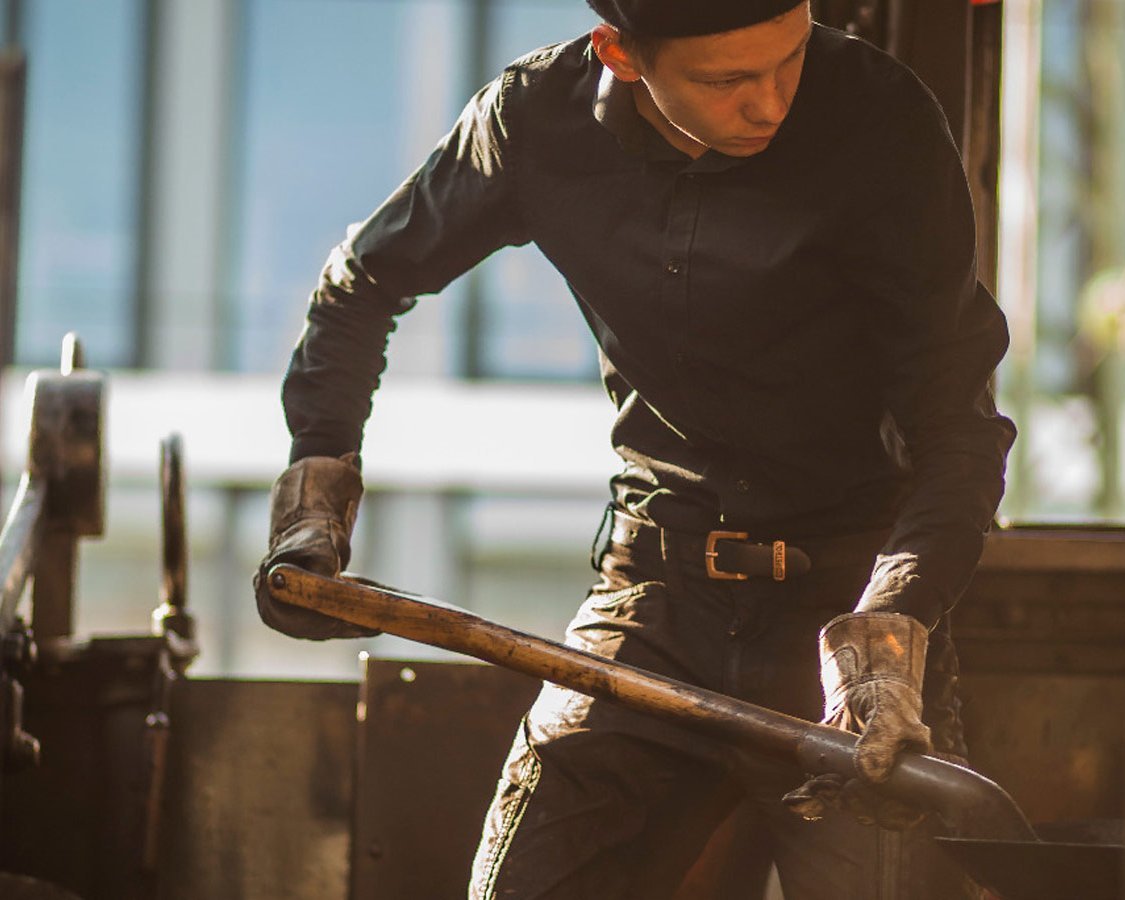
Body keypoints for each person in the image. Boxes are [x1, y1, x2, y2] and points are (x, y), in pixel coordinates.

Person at [254, 0, 1016, 897]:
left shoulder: (881, 117)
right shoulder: (533, 120)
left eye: (791, 58)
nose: (772, 104)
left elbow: (959, 423)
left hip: (851, 610)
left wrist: (895, 619)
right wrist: (315, 499)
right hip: (654, 600)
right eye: (728, 81)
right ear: (619, 54)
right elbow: (362, 281)